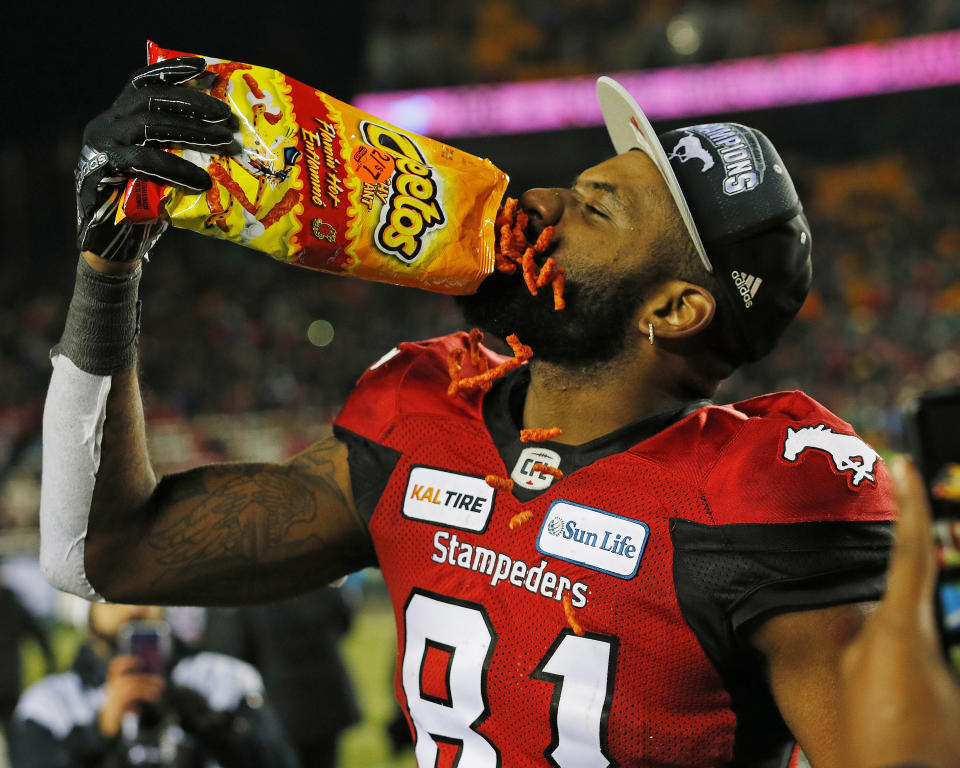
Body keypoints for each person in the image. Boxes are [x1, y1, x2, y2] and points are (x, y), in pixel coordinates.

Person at [37, 56, 957, 766]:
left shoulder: (757, 497)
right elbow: (102, 553)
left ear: (673, 311)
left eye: (594, 210)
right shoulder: (428, 410)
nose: (540, 206)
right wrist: (107, 276)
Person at [6, 602, 300, 768]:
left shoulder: (223, 678)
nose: (133, 607)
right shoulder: (51, 703)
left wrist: (205, 720)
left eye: (145, 591)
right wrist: (101, 731)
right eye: (113, 595)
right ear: (85, 608)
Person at [202, 588, 361, 768]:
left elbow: (237, 647)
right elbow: (344, 620)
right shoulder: (319, 576)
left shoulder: (252, 588)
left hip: (279, 699)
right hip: (325, 695)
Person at [0, 584, 55, 738]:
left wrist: (50, 663)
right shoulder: (11, 603)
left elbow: (37, 633)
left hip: (9, 684)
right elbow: (38, 634)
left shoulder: (11, 603)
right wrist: (50, 663)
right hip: (10, 682)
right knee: (13, 735)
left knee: (13, 732)